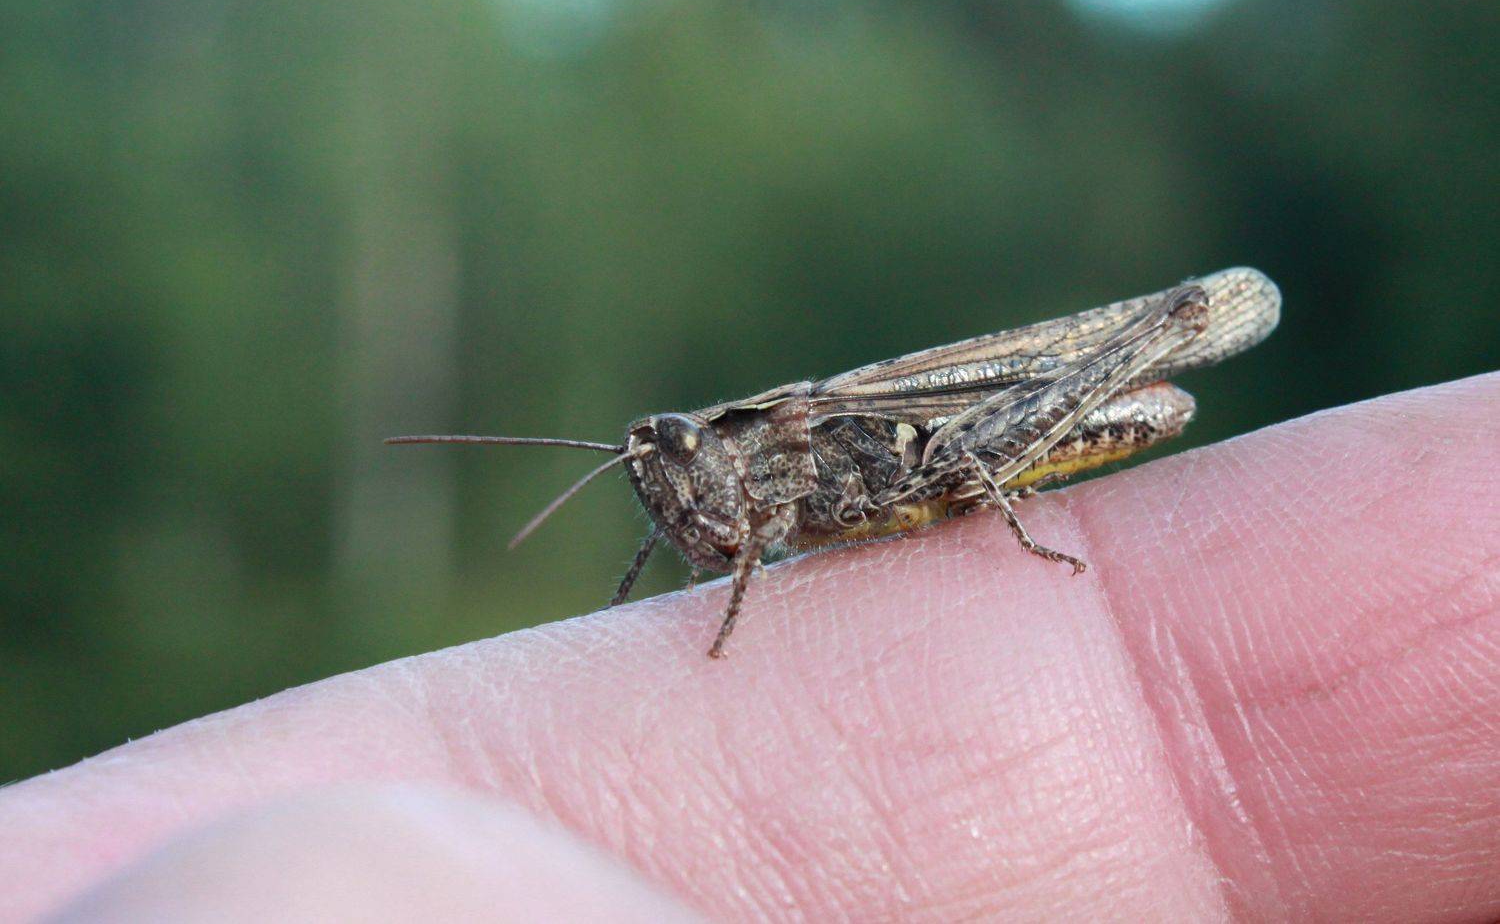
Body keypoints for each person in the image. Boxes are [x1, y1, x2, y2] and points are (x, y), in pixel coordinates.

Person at [4, 374, 1497, 922]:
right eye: (653, 474)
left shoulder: (791, 441)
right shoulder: (713, 488)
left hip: (1038, 420)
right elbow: (714, 535)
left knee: (933, 462)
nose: (667, 486)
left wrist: (1023, 521)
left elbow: (879, 479)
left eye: (672, 458)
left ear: (721, 439)